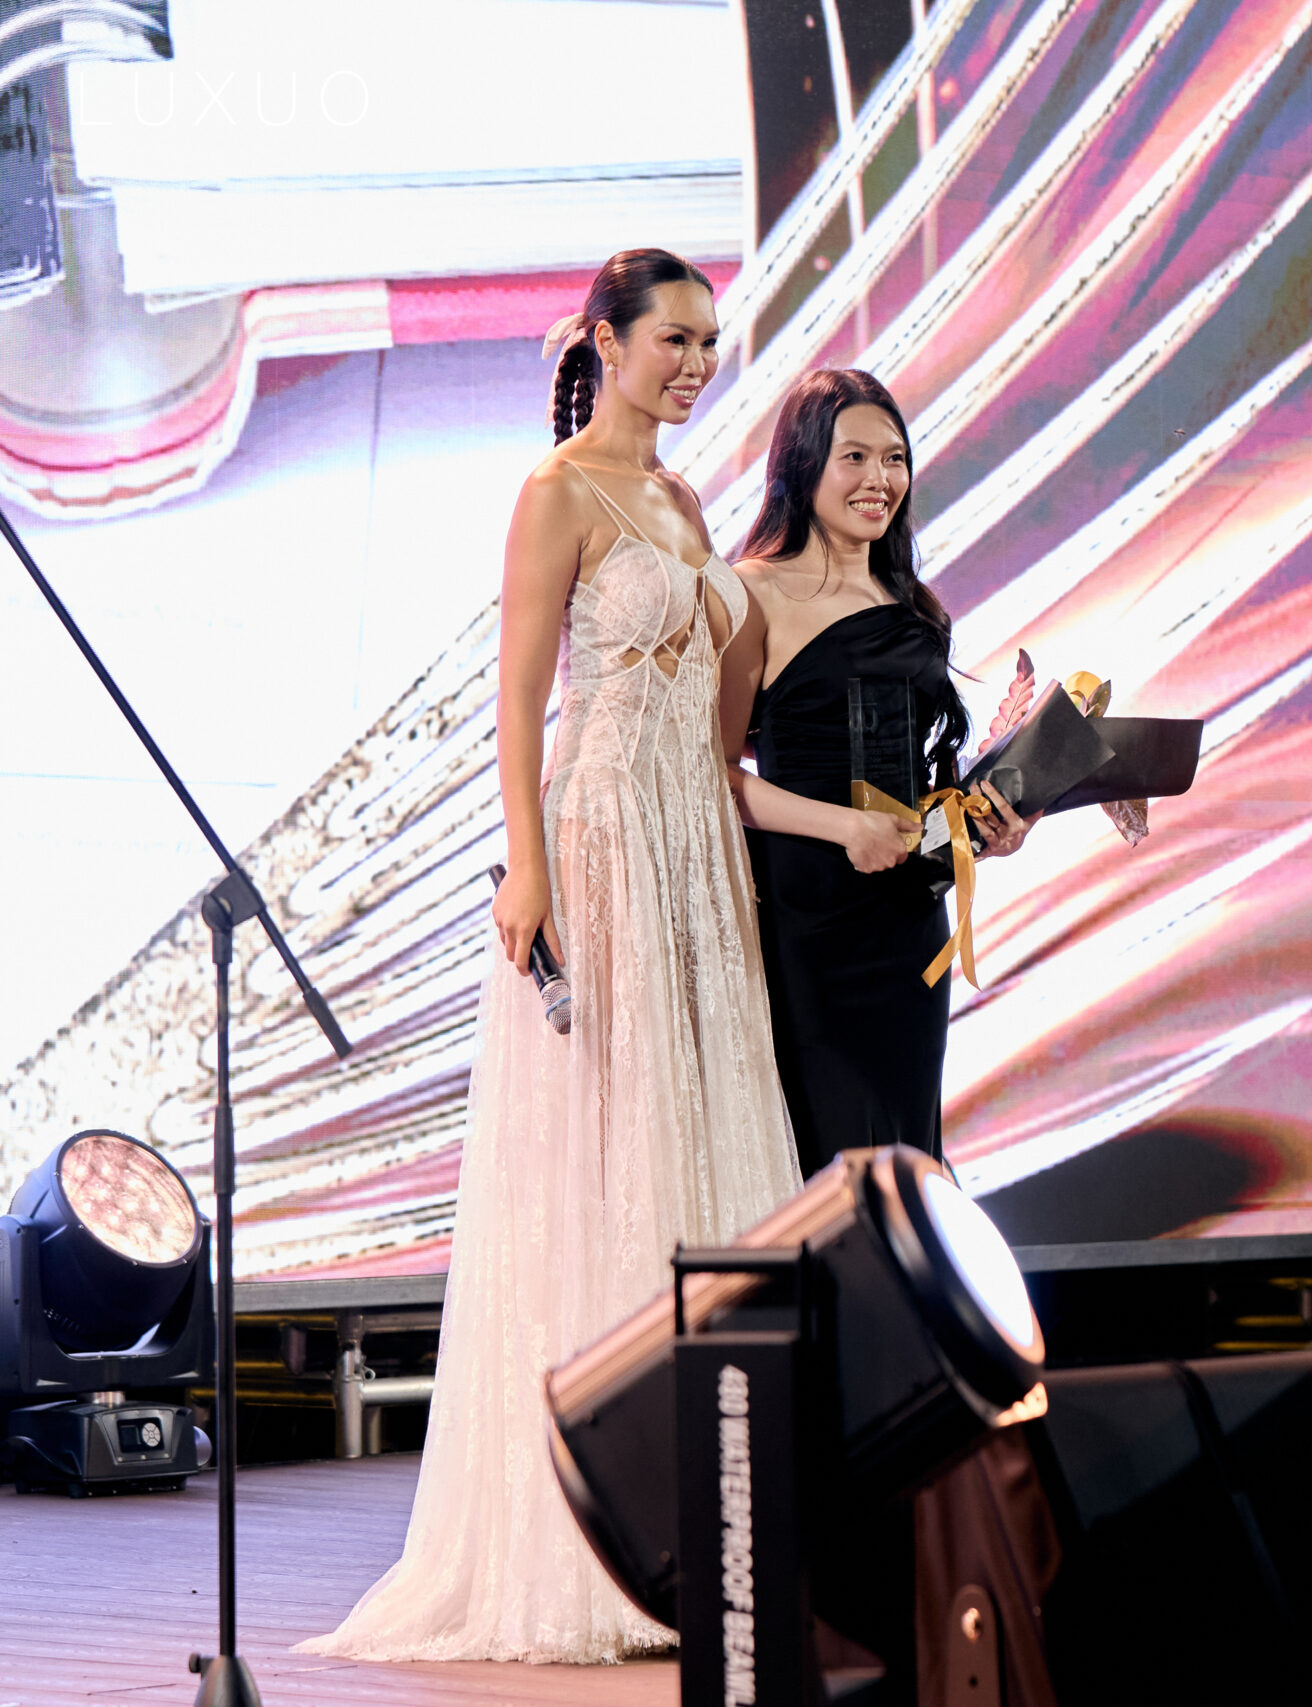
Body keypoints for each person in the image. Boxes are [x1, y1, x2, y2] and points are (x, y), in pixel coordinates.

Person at [298, 249, 800, 1663]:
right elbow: (520, 700)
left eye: (709, 340)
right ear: (606, 341)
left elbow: (718, 704)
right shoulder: (557, 491)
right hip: (602, 839)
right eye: (673, 338)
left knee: (697, 1137)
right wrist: (530, 866)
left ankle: (720, 1523)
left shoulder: (685, 498)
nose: (696, 362)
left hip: (696, 851)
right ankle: (597, 1541)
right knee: (605, 1145)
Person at [727, 369, 1032, 1177]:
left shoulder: (913, 603)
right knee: (826, 1171)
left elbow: (920, 789)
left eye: (894, 458)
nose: (879, 479)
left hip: (908, 927)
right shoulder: (751, 591)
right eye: (854, 456)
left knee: (907, 1157)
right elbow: (713, 775)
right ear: (803, 463)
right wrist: (843, 828)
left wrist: (983, 830)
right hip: (807, 925)